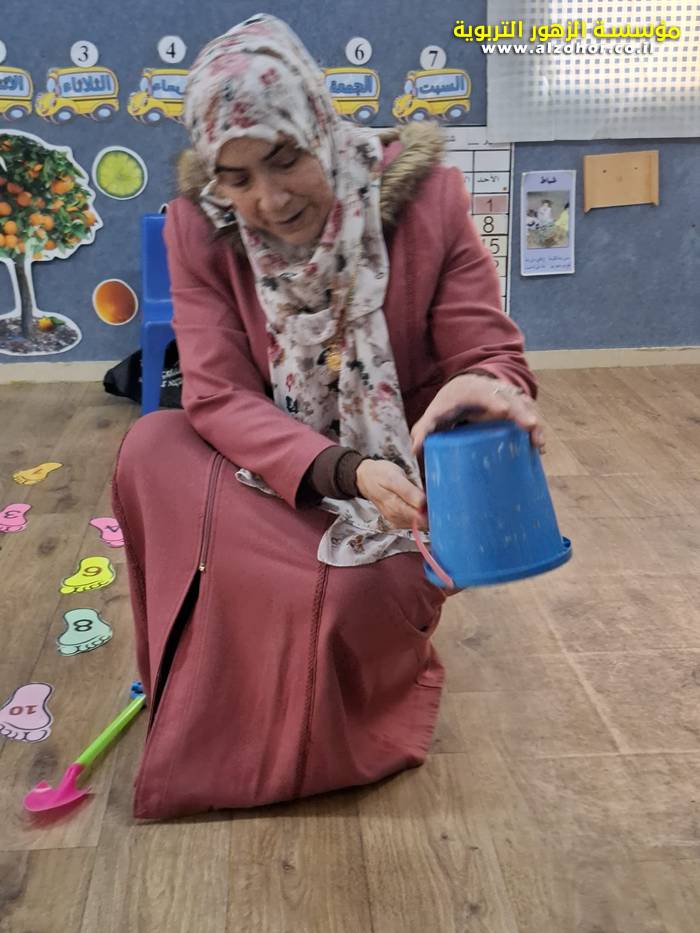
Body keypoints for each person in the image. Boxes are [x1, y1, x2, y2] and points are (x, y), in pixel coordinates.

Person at [112, 13, 544, 820]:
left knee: (347, 598)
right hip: (289, 474)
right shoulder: (198, 226)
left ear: (319, 123)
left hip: (400, 492)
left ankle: (293, 692)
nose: (269, 199)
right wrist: (345, 469)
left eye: (285, 159)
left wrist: (482, 385)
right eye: (237, 177)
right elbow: (216, 394)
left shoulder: (427, 199)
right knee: (152, 444)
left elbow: (489, 353)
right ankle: (226, 669)